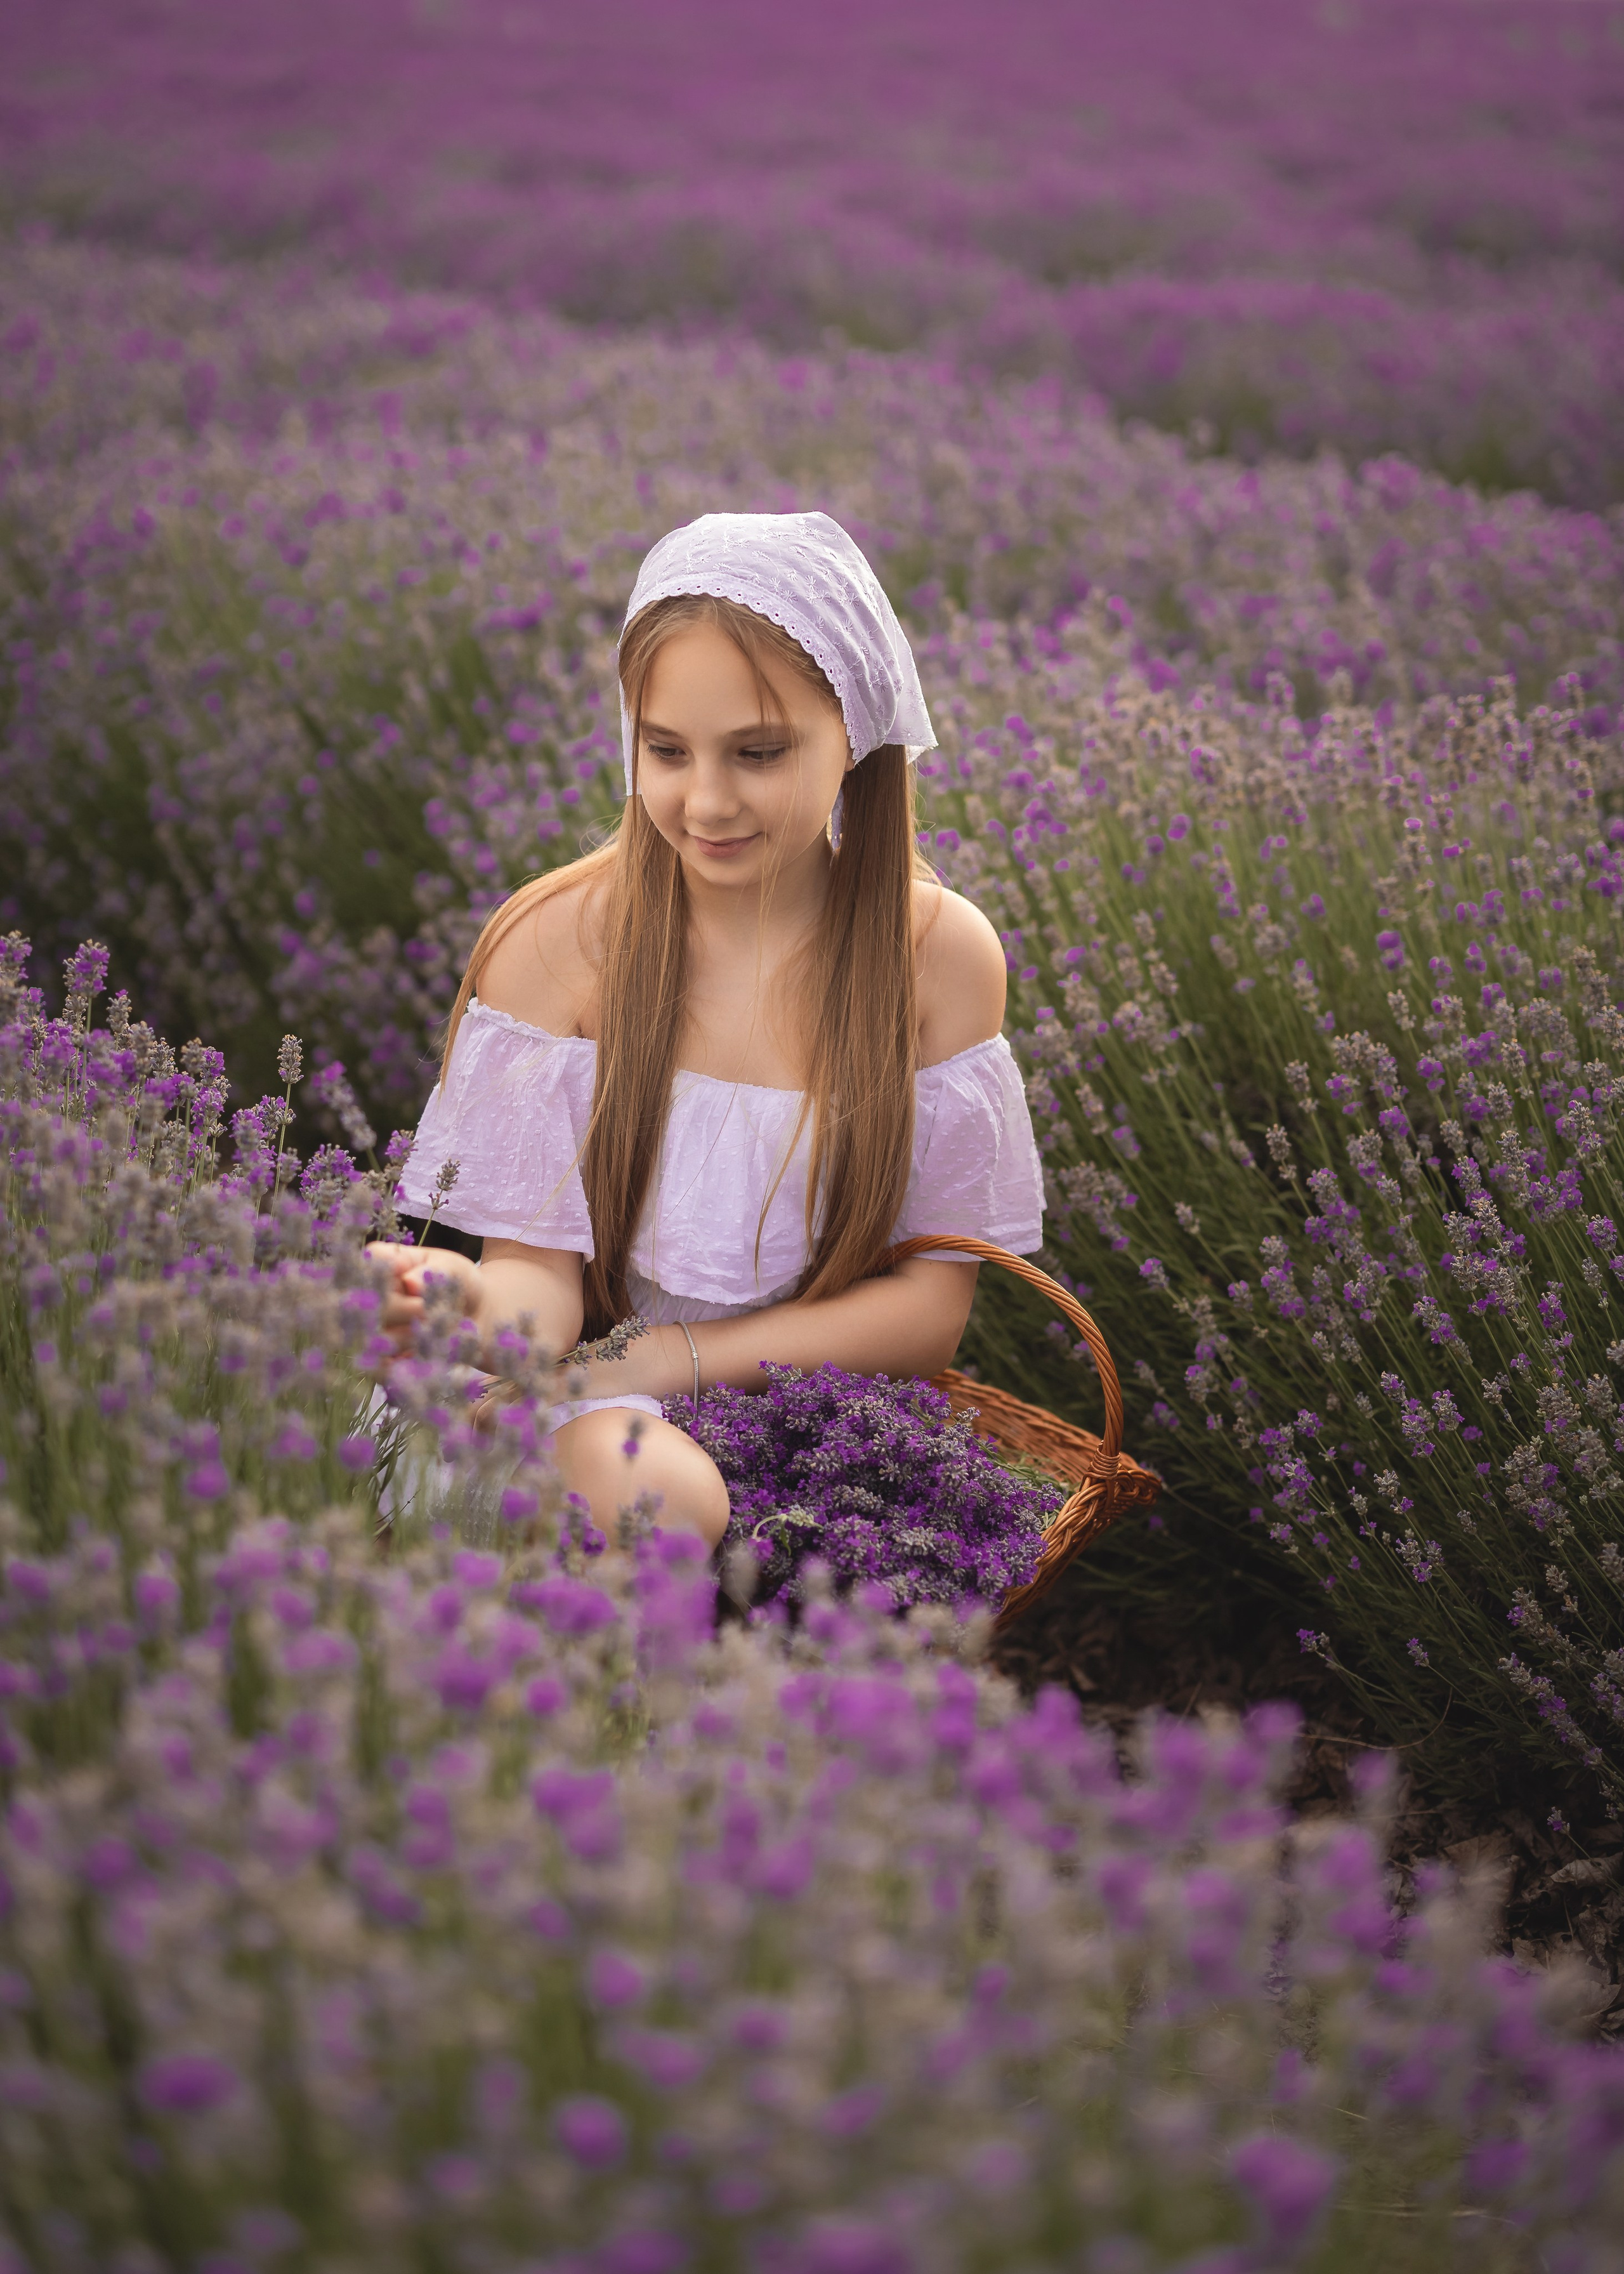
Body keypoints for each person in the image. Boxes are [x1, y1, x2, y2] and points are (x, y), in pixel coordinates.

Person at [371, 511, 1043, 1549]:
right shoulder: (561, 944)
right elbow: (537, 1286)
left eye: (759, 752)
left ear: (856, 739)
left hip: (802, 1413)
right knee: (658, 1490)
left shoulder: (936, 959)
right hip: (573, 1401)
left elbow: (928, 1312)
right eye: (667, 750)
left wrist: (672, 1359)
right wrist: (457, 1300)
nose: (707, 801)